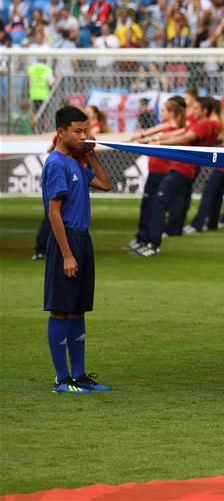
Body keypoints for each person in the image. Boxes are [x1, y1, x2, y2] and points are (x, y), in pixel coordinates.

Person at [41, 106, 112, 394]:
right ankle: (62, 379)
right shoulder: (56, 164)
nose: (84, 136)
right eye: (78, 132)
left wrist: (92, 156)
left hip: (82, 239)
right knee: (60, 310)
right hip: (66, 241)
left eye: (86, 131)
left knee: (78, 309)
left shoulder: (74, 164)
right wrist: (67, 254)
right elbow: (54, 213)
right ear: (60, 132)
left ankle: (79, 375)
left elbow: (105, 184)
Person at [136, 96, 221, 256]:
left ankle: (153, 244)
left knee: (160, 202)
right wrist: (154, 138)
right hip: (178, 167)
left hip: (184, 169)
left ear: (204, 111)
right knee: (160, 202)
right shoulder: (198, 124)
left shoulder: (205, 125)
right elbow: (179, 133)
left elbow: (183, 137)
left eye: (196, 108)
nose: (193, 111)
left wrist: (158, 143)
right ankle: (151, 242)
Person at [124, 97, 187, 251]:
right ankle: (143, 238)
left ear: (172, 113)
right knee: (148, 204)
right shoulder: (167, 126)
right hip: (155, 170)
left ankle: (148, 240)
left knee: (152, 205)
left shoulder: (171, 128)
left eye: (164, 110)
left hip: (161, 171)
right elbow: (151, 133)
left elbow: (155, 134)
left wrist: (145, 138)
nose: (161, 113)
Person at [185, 102, 224, 233]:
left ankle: (199, 223)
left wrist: (220, 120)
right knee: (218, 194)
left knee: (210, 193)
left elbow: (223, 137)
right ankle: (213, 222)